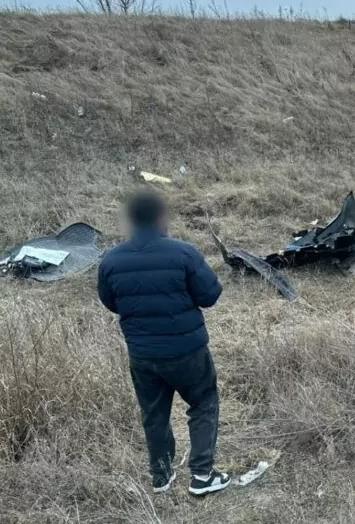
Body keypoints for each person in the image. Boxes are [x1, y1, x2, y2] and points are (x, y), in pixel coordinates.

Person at [97, 190, 230, 496]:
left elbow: (111, 301)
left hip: (142, 355)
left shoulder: (112, 260)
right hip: (187, 352)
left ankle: (161, 477)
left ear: (131, 220)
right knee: (204, 403)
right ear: (160, 217)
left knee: (153, 414)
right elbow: (210, 295)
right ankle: (202, 476)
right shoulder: (184, 253)